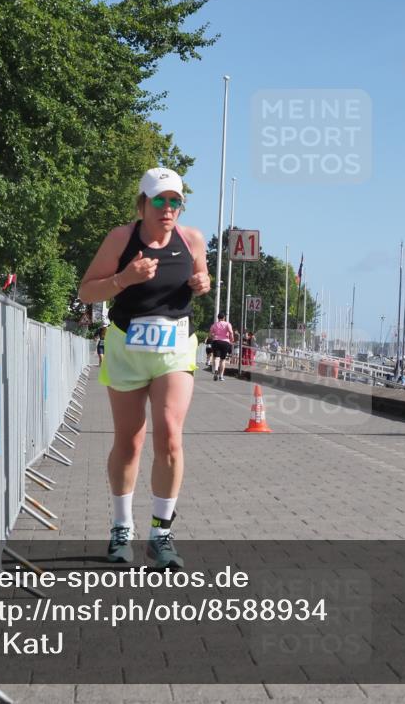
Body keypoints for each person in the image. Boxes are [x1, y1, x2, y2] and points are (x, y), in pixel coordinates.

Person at [77, 167, 210, 569]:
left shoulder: (192, 239)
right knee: (130, 440)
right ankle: (121, 528)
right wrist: (123, 279)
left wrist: (203, 282)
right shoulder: (121, 238)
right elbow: (86, 290)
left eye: (175, 202)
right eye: (160, 200)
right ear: (142, 203)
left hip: (174, 347)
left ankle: (161, 534)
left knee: (170, 435)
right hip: (127, 346)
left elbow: (200, 274)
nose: (168, 209)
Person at [207, 312, 235, 381]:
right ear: (224, 318)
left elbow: (210, 335)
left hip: (216, 342)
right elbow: (231, 332)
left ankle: (216, 370)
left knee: (216, 358)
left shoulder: (214, 325)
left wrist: (214, 336)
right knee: (223, 360)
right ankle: (221, 376)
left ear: (218, 318)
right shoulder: (228, 324)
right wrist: (232, 339)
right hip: (225, 342)